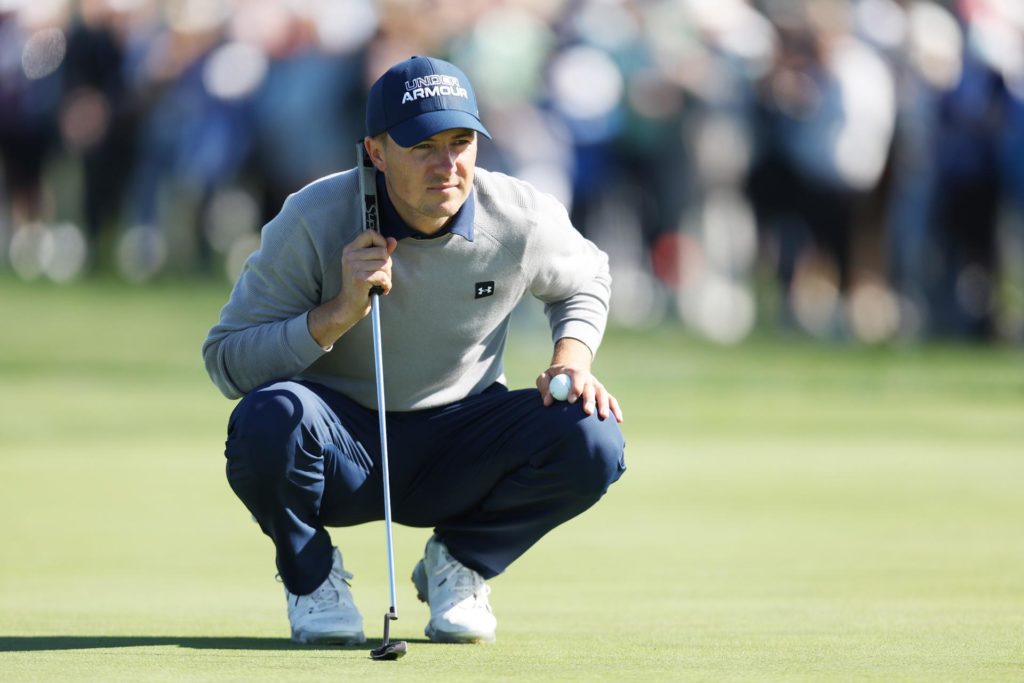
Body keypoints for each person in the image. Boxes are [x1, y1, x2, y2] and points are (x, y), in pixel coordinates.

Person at [202, 56, 626, 646]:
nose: (447, 165)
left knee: (592, 432)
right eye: (423, 146)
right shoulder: (313, 218)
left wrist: (571, 358)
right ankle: (311, 576)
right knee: (267, 419)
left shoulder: (520, 216)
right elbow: (227, 361)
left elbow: (586, 279)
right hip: (341, 450)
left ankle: (462, 560)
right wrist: (337, 314)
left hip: (461, 441)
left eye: (460, 142)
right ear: (376, 152)